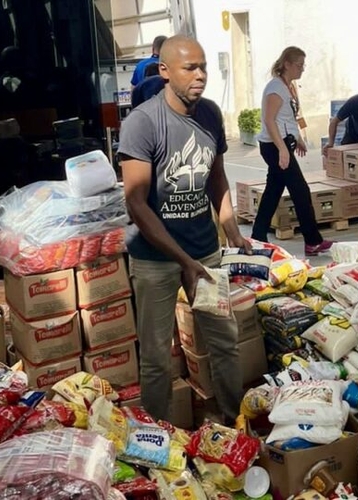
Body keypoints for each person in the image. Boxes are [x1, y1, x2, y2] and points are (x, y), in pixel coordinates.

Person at [118, 35, 248, 423]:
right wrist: (183, 261)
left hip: (204, 253)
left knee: (224, 341)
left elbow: (217, 178)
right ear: (164, 71)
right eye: (190, 68)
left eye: (204, 66)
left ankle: (231, 420)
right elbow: (136, 203)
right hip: (156, 261)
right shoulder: (142, 124)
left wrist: (232, 229)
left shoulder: (210, 115)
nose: (201, 75)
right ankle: (159, 440)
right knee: (157, 357)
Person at [251, 46, 333, 256]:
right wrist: (282, 150)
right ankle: (312, 240)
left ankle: (257, 237)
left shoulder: (288, 87)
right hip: (274, 146)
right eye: (299, 65)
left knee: (273, 191)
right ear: (287, 64)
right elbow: (269, 121)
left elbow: (287, 119)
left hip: (283, 144)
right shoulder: (275, 89)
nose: (302, 69)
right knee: (300, 190)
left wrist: (298, 139)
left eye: (303, 65)